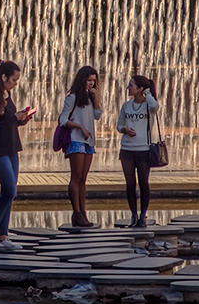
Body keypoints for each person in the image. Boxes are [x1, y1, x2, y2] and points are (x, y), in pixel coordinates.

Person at [0, 59, 36, 251]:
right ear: (3, 77)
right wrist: (14, 118)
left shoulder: (7, 94)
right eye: (13, 79)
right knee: (10, 190)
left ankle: (3, 237)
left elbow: (8, 122)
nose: (15, 83)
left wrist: (21, 119)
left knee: (10, 193)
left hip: (12, 148)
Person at [57, 65, 103, 227]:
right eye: (88, 80)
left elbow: (98, 115)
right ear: (81, 79)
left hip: (89, 141)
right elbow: (62, 119)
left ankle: (83, 212)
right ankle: (76, 213)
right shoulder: (72, 97)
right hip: (76, 140)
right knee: (76, 177)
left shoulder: (90, 98)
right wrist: (80, 127)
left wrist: (96, 97)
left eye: (93, 81)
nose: (91, 84)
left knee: (83, 179)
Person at [114, 73, 160, 227]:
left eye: (131, 85)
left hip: (143, 150)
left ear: (140, 88)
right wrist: (125, 129)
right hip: (127, 149)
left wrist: (147, 92)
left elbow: (155, 106)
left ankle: (143, 215)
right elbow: (119, 125)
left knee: (143, 183)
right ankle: (133, 214)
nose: (128, 87)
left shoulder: (149, 105)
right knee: (130, 183)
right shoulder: (126, 105)